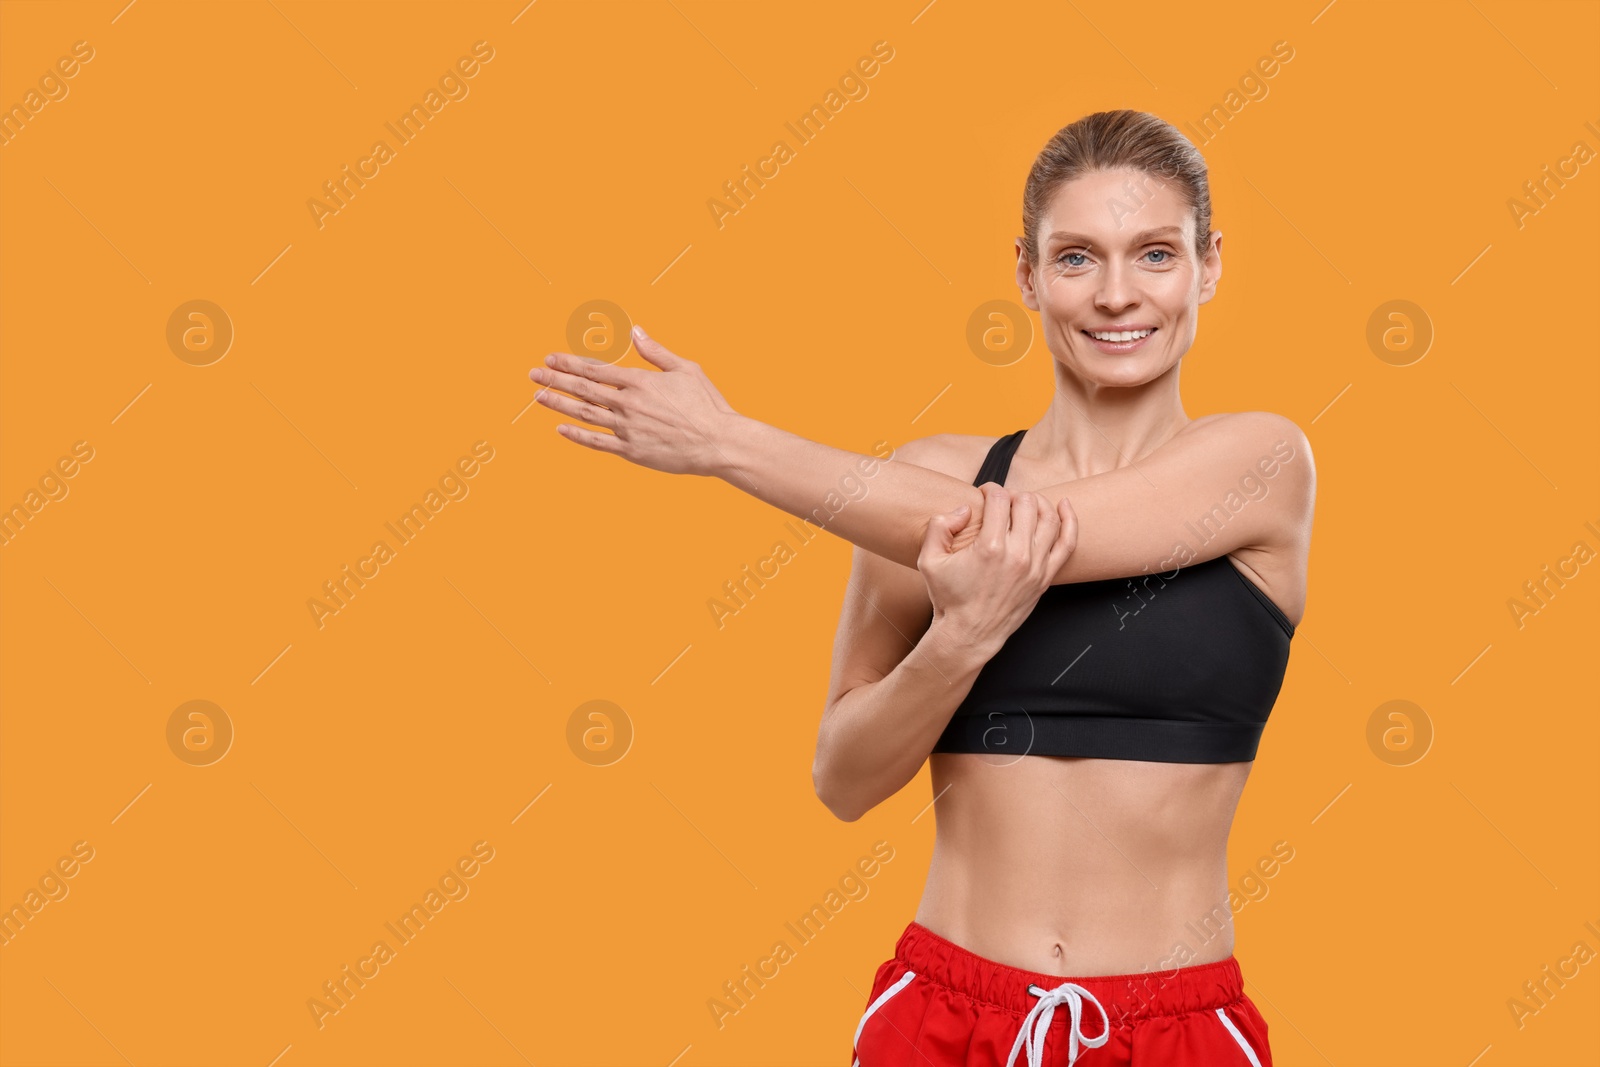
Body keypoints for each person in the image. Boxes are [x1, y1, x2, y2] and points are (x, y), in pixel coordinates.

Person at [527, 109, 1313, 1066]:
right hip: (945, 1017)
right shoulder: (929, 477)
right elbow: (843, 780)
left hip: (1175, 1029)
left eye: (1154, 254)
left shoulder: (1260, 462)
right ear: (1026, 273)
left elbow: (1039, 535)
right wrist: (958, 642)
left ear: (1209, 263)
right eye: (1075, 259)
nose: (1116, 295)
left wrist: (726, 443)